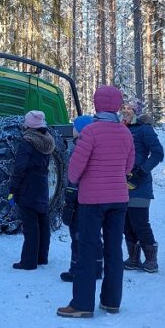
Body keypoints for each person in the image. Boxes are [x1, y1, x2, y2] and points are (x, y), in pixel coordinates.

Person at [58, 86, 134, 319]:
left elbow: (74, 170)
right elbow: (129, 167)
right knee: (114, 250)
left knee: (87, 251)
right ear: (117, 105)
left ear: (97, 104)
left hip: (92, 200)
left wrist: (78, 180)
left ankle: (82, 304)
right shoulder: (125, 133)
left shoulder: (90, 132)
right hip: (119, 199)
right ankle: (111, 301)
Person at [120, 100, 165, 273]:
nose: (125, 113)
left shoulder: (144, 129)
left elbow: (158, 153)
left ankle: (151, 259)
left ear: (136, 112)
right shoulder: (120, 128)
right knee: (126, 223)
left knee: (140, 222)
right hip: (120, 182)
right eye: (123, 109)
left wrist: (143, 170)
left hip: (140, 184)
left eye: (129, 110)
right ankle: (133, 258)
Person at [8, 110, 57, 270]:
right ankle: (42, 257)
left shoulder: (27, 141)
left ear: (29, 125)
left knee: (30, 225)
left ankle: (28, 262)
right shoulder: (48, 140)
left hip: (28, 186)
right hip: (42, 185)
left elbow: (20, 167)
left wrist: (13, 188)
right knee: (42, 221)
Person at [60, 115, 93, 283]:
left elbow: (74, 176)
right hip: (92, 198)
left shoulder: (78, 149)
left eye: (75, 127)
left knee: (77, 236)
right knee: (93, 236)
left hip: (78, 198)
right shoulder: (94, 146)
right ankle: (97, 268)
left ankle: (76, 269)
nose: (72, 129)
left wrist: (69, 197)